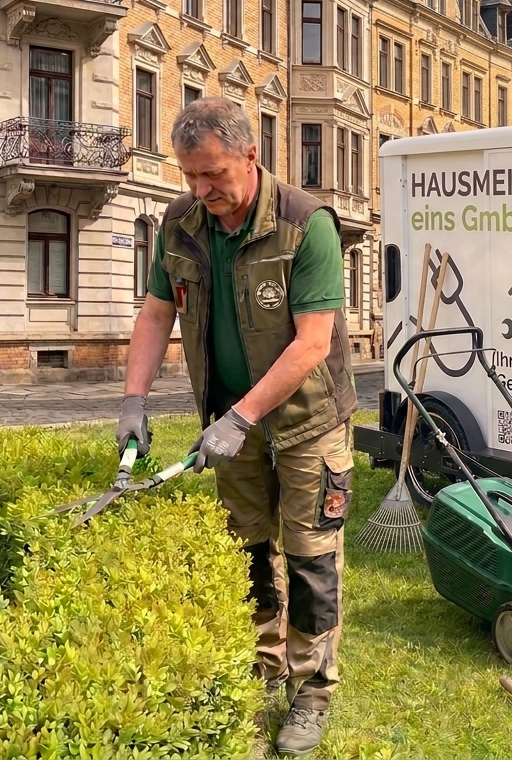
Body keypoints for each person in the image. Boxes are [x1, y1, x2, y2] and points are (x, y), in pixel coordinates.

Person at [117, 97, 357, 756]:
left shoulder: (306, 224)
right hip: (228, 420)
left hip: (308, 423)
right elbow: (154, 313)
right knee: (249, 551)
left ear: (250, 156)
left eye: (214, 174)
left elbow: (311, 343)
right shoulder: (179, 222)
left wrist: (245, 416)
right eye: (190, 175)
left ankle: (311, 691)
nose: (202, 190)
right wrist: (133, 402)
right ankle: (265, 664)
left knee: (312, 561)